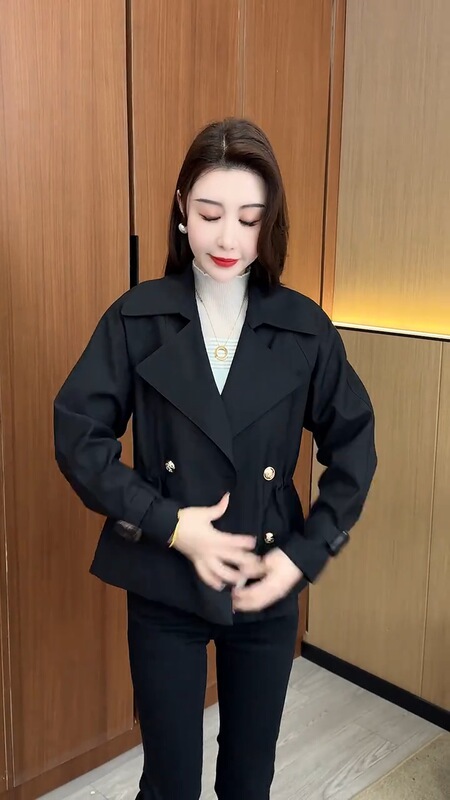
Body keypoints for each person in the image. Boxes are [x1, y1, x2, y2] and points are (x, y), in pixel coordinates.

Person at [54, 117, 377, 800]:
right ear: (181, 208)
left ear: (270, 222)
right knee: (169, 783)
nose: (228, 238)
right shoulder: (136, 317)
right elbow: (79, 435)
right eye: (209, 213)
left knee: (249, 781)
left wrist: (304, 554)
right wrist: (171, 524)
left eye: (249, 219)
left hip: (267, 576)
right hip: (165, 580)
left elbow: (354, 445)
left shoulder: (306, 329)